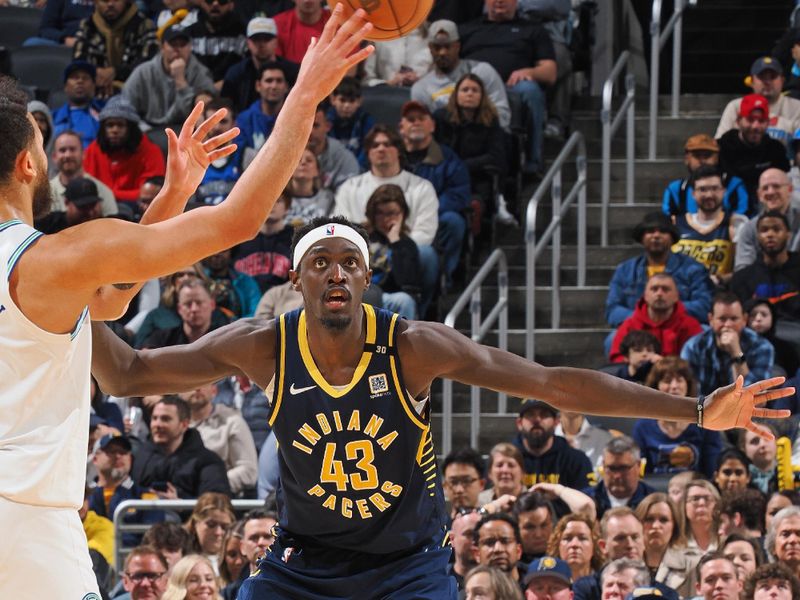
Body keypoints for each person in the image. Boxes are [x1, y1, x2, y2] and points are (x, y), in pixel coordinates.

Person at [90, 210, 794, 599]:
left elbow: (554, 383)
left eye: (349, 263)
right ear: (297, 281)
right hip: (302, 566)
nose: (336, 272)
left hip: (406, 567)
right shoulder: (263, 345)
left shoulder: (412, 347)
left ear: (367, 279)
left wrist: (702, 410)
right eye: (321, 262)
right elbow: (126, 373)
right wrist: (70, 305)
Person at [459, 0, 557, 175]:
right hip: (474, 86)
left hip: (513, 87)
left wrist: (531, 72)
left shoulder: (533, 30)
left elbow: (550, 72)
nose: (499, 1)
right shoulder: (466, 29)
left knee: (530, 90)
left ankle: (532, 161)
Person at [605, 211, 714, 330]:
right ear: (642, 238)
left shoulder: (693, 268)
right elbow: (613, 310)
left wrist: (668, 311)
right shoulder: (625, 270)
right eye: (650, 231)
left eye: (663, 231)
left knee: (704, 331)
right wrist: (645, 316)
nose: (656, 236)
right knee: (613, 338)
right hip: (638, 328)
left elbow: (704, 306)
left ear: (672, 238)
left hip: (680, 327)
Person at [433, 72, 509, 223]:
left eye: (475, 90)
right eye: (465, 90)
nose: (470, 94)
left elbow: (496, 156)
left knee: (476, 199)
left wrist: (462, 166)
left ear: (482, 96)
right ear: (456, 94)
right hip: (444, 178)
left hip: (476, 178)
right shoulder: (440, 118)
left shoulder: (490, 121)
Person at [633, 357, 723, 478]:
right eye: (667, 381)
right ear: (656, 386)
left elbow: (711, 472)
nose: (674, 386)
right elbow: (640, 476)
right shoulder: (643, 427)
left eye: (679, 380)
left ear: (688, 385)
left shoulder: (705, 423)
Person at [412, 20, 510, 129]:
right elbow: (423, 129)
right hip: (446, 140)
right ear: (430, 48)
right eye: (437, 47)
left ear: (457, 46)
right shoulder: (421, 88)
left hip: (486, 136)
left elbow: (503, 116)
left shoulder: (482, 71)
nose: (442, 52)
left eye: (447, 46)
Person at [131, 396, 231, 498]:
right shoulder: (140, 456)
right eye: (154, 418)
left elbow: (216, 504)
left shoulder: (208, 462)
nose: (158, 424)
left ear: (184, 425)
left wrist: (180, 504)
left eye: (166, 419)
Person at [681, 291, 775, 396]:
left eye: (734, 319)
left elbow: (757, 399)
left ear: (744, 319)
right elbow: (687, 394)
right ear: (711, 319)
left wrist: (736, 353)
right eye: (722, 319)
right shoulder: (693, 346)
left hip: (744, 411)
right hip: (703, 409)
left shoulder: (762, 347)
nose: (728, 324)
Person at [123, 26, 216, 130]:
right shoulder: (142, 72)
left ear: (190, 47)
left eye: (182, 45)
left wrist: (181, 83)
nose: (177, 49)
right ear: (162, 47)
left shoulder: (201, 73)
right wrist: (143, 130)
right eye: (173, 45)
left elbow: (206, 114)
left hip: (185, 131)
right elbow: (126, 107)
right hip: (147, 129)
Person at [83, 96, 166, 205]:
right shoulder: (92, 150)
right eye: (110, 125)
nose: (115, 130)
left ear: (131, 128)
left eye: (120, 125)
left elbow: (149, 194)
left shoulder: (151, 151)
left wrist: (107, 194)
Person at [672, 165, 748, 283]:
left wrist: (720, 279)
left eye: (714, 188)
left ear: (723, 191)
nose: (709, 195)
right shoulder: (675, 223)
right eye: (702, 189)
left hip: (719, 294)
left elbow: (745, 270)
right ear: (693, 194)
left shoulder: (736, 224)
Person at [608, 273, 702, 363]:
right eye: (654, 289)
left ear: (676, 296)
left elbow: (697, 360)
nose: (659, 293)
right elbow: (617, 358)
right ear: (645, 295)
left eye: (665, 289)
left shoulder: (690, 326)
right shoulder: (630, 325)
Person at [72, 0, 159, 97]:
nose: (110, 4)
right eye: (105, 1)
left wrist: (115, 72)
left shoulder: (145, 25)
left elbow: (148, 64)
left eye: (116, 0)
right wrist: (95, 72)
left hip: (135, 93)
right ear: (95, 2)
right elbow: (77, 60)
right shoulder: (87, 25)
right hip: (94, 91)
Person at [184, 383, 258, 495]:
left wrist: (210, 485)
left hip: (220, 498)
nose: (197, 387)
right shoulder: (168, 422)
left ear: (214, 390)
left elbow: (248, 471)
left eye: (203, 381)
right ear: (177, 391)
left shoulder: (232, 422)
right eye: (189, 381)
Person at [363, 183, 422, 320]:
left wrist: (395, 241)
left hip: (387, 296)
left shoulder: (406, 245)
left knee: (404, 300)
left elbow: (407, 283)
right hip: (359, 292)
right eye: (379, 213)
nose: (385, 219)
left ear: (402, 214)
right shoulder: (360, 235)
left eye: (391, 213)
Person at [718, 93, 791, 201]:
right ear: (738, 121)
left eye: (761, 121)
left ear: (768, 123)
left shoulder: (775, 149)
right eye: (750, 120)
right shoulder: (723, 147)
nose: (755, 126)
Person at [732, 211, 800, 325]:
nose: (770, 234)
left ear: (788, 235)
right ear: (757, 236)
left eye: (777, 229)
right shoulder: (742, 278)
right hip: (758, 336)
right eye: (764, 230)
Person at [716, 57, 800, 147]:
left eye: (773, 77)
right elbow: (720, 144)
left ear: (782, 81)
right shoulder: (735, 106)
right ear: (751, 81)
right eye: (762, 77)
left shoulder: (797, 107)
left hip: (784, 159)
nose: (767, 82)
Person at [221, 16, 300, 113]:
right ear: (248, 42)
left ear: (276, 42)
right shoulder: (236, 73)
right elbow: (225, 108)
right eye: (256, 39)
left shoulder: (293, 72)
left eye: (267, 39)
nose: (261, 44)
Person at [661, 134, 749, 218]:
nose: (702, 161)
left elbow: (741, 220)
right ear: (687, 159)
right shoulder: (675, 190)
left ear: (717, 158)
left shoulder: (734, 185)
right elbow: (668, 222)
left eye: (707, 155)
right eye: (697, 156)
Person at [512, 399, 593, 490]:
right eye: (530, 415)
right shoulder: (507, 460)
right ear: (519, 423)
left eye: (544, 415)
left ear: (556, 422)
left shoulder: (576, 460)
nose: (537, 419)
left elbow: (588, 499)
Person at [735, 168, 800, 271]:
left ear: (790, 190)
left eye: (776, 186)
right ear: (759, 195)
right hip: (760, 284)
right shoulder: (749, 229)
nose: (770, 192)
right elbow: (742, 270)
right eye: (765, 188)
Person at [635, 492, 698, 598]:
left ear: (674, 525)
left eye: (663, 520)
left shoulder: (692, 565)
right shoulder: (624, 564)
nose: (655, 526)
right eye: (649, 519)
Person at [231, 190, 293, 295]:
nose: (272, 204)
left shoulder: (295, 238)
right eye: (268, 200)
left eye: (278, 201)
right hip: (244, 298)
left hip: (281, 300)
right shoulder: (240, 237)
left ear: (287, 209)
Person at [142, 278, 230, 348]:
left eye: (199, 302)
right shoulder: (161, 339)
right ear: (179, 308)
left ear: (212, 304)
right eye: (188, 304)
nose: (194, 309)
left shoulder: (226, 339)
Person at [582, 436, 655, 519]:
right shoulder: (585, 501)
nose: (617, 476)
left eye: (623, 468)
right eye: (611, 468)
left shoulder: (654, 502)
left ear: (638, 466)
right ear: (603, 465)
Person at [49, 130, 118, 217]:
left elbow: (113, 228)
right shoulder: (46, 194)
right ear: (54, 157)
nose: (67, 155)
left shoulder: (103, 192)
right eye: (62, 150)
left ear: (83, 154)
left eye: (72, 149)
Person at [183, 0, 246, 86]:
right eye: (209, 0)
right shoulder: (188, 34)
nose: (215, 4)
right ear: (202, 3)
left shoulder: (243, 33)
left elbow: (248, 69)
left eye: (222, 1)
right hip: (195, 92)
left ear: (231, 5)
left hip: (231, 90)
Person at [235, 62, 290, 156]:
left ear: (286, 87)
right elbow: (239, 159)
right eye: (269, 80)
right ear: (258, 86)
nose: (274, 86)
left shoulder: (294, 118)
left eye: (279, 81)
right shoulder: (244, 120)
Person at [52, 60, 105, 149]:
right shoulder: (52, 118)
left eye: (85, 78)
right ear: (66, 87)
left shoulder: (105, 115)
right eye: (74, 77)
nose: (80, 81)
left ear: (93, 86)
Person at [307, 105, 360, 193]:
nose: (310, 131)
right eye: (306, 126)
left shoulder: (345, 158)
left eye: (315, 126)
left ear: (328, 126)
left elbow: (350, 195)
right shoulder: (287, 156)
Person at [745, 298, 800, 377]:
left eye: (764, 314)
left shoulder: (785, 347)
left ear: (773, 318)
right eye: (753, 315)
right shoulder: (737, 343)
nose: (758, 319)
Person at [202, 249, 261, 319]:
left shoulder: (246, 282)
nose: (216, 254)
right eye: (212, 250)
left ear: (231, 252)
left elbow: (255, 313)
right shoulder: (198, 279)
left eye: (223, 250)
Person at [326, 76, 375, 162]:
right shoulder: (325, 121)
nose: (347, 105)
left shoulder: (366, 121)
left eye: (352, 101)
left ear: (359, 102)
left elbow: (368, 150)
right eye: (342, 100)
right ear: (333, 99)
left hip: (358, 170)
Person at [185, 492, 235, 573]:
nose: (218, 532)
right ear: (195, 524)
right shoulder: (180, 558)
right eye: (211, 525)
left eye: (225, 527)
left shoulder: (239, 564)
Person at [284, 148, 335, 229]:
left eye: (309, 160)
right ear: (289, 169)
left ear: (317, 171)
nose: (303, 163)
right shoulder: (277, 199)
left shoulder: (328, 198)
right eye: (298, 160)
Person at [35, 176, 104, 234]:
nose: (90, 212)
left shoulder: (105, 225)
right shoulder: (47, 224)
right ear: (66, 202)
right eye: (83, 207)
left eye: (92, 205)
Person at [546, 514, 603, 581]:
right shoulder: (547, 584)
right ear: (557, 545)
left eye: (582, 538)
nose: (574, 544)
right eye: (567, 538)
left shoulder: (605, 583)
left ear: (594, 545)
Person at [473, 513, 527, 585]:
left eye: (505, 541)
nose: (498, 549)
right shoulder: (469, 595)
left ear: (518, 551)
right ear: (477, 554)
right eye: (489, 542)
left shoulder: (538, 589)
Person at [442, 446, 486, 516]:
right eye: (453, 482)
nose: (459, 490)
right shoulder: (438, 525)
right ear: (445, 486)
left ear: (481, 484)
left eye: (466, 481)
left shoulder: (493, 525)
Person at [766, 505, 800, 580]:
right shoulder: (764, 583)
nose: (793, 540)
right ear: (773, 547)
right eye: (785, 534)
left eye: (799, 534)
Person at [450, 510, 482, 589]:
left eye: (480, 534)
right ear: (452, 539)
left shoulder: (499, 580)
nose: (476, 540)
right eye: (469, 534)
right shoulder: (437, 579)